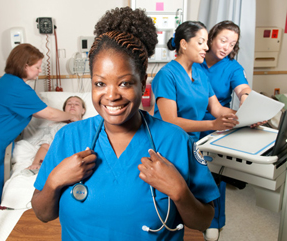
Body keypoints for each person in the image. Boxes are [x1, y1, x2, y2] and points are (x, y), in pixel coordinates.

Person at [31, 7, 220, 241]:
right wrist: (54, 181)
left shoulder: (174, 140)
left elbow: (203, 220)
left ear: (143, 83)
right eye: (100, 84)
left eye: (124, 83)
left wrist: (180, 191)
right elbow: (42, 214)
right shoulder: (69, 137)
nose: (111, 96)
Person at [0, 43, 77, 241]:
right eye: (37, 66)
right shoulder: (15, 87)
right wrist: (72, 117)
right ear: (25, 66)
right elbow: (48, 113)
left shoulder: (11, 83)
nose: (40, 70)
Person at [194, 21, 251, 241]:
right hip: (189, 124)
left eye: (232, 43)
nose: (227, 47)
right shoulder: (194, 60)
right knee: (187, 175)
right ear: (211, 38)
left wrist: (246, 100)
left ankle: (214, 222)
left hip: (217, 128)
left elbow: (242, 88)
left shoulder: (232, 67)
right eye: (223, 40)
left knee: (215, 175)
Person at [152, 21, 239, 144]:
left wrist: (246, 116)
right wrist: (213, 124)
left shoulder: (201, 75)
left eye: (206, 42)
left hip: (192, 143)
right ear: (184, 44)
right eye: (200, 42)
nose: (206, 47)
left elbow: (217, 109)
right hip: (169, 143)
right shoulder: (167, 75)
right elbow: (171, 121)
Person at [27, 96, 86, 170]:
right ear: (64, 110)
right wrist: (36, 164)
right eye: (69, 104)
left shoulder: (88, 125)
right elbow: (45, 146)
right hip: (58, 162)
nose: (72, 106)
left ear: (83, 110)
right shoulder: (54, 127)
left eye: (77, 104)